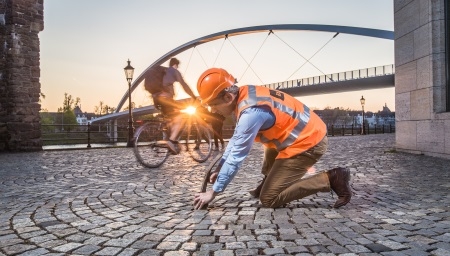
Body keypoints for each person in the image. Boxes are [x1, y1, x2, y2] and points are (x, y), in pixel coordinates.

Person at [193, 68, 351, 210]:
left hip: (309, 142)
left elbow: (236, 157)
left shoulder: (251, 114)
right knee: (268, 145)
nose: (212, 109)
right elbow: (236, 139)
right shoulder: (246, 93)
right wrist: (220, 168)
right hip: (306, 131)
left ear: (228, 97)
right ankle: (269, 180)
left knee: (269, 198)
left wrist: (213, 192)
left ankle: (332, 178)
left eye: (213, 104)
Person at [152, 57, 196, 154]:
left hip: (156, 99)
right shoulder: (174, 71)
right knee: (179, 117)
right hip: (165, 99)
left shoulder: (164, 72)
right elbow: (184, 85)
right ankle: (171, 141)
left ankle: (166, 140)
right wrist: (193, 96)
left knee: (170, 119)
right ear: (176, 65)